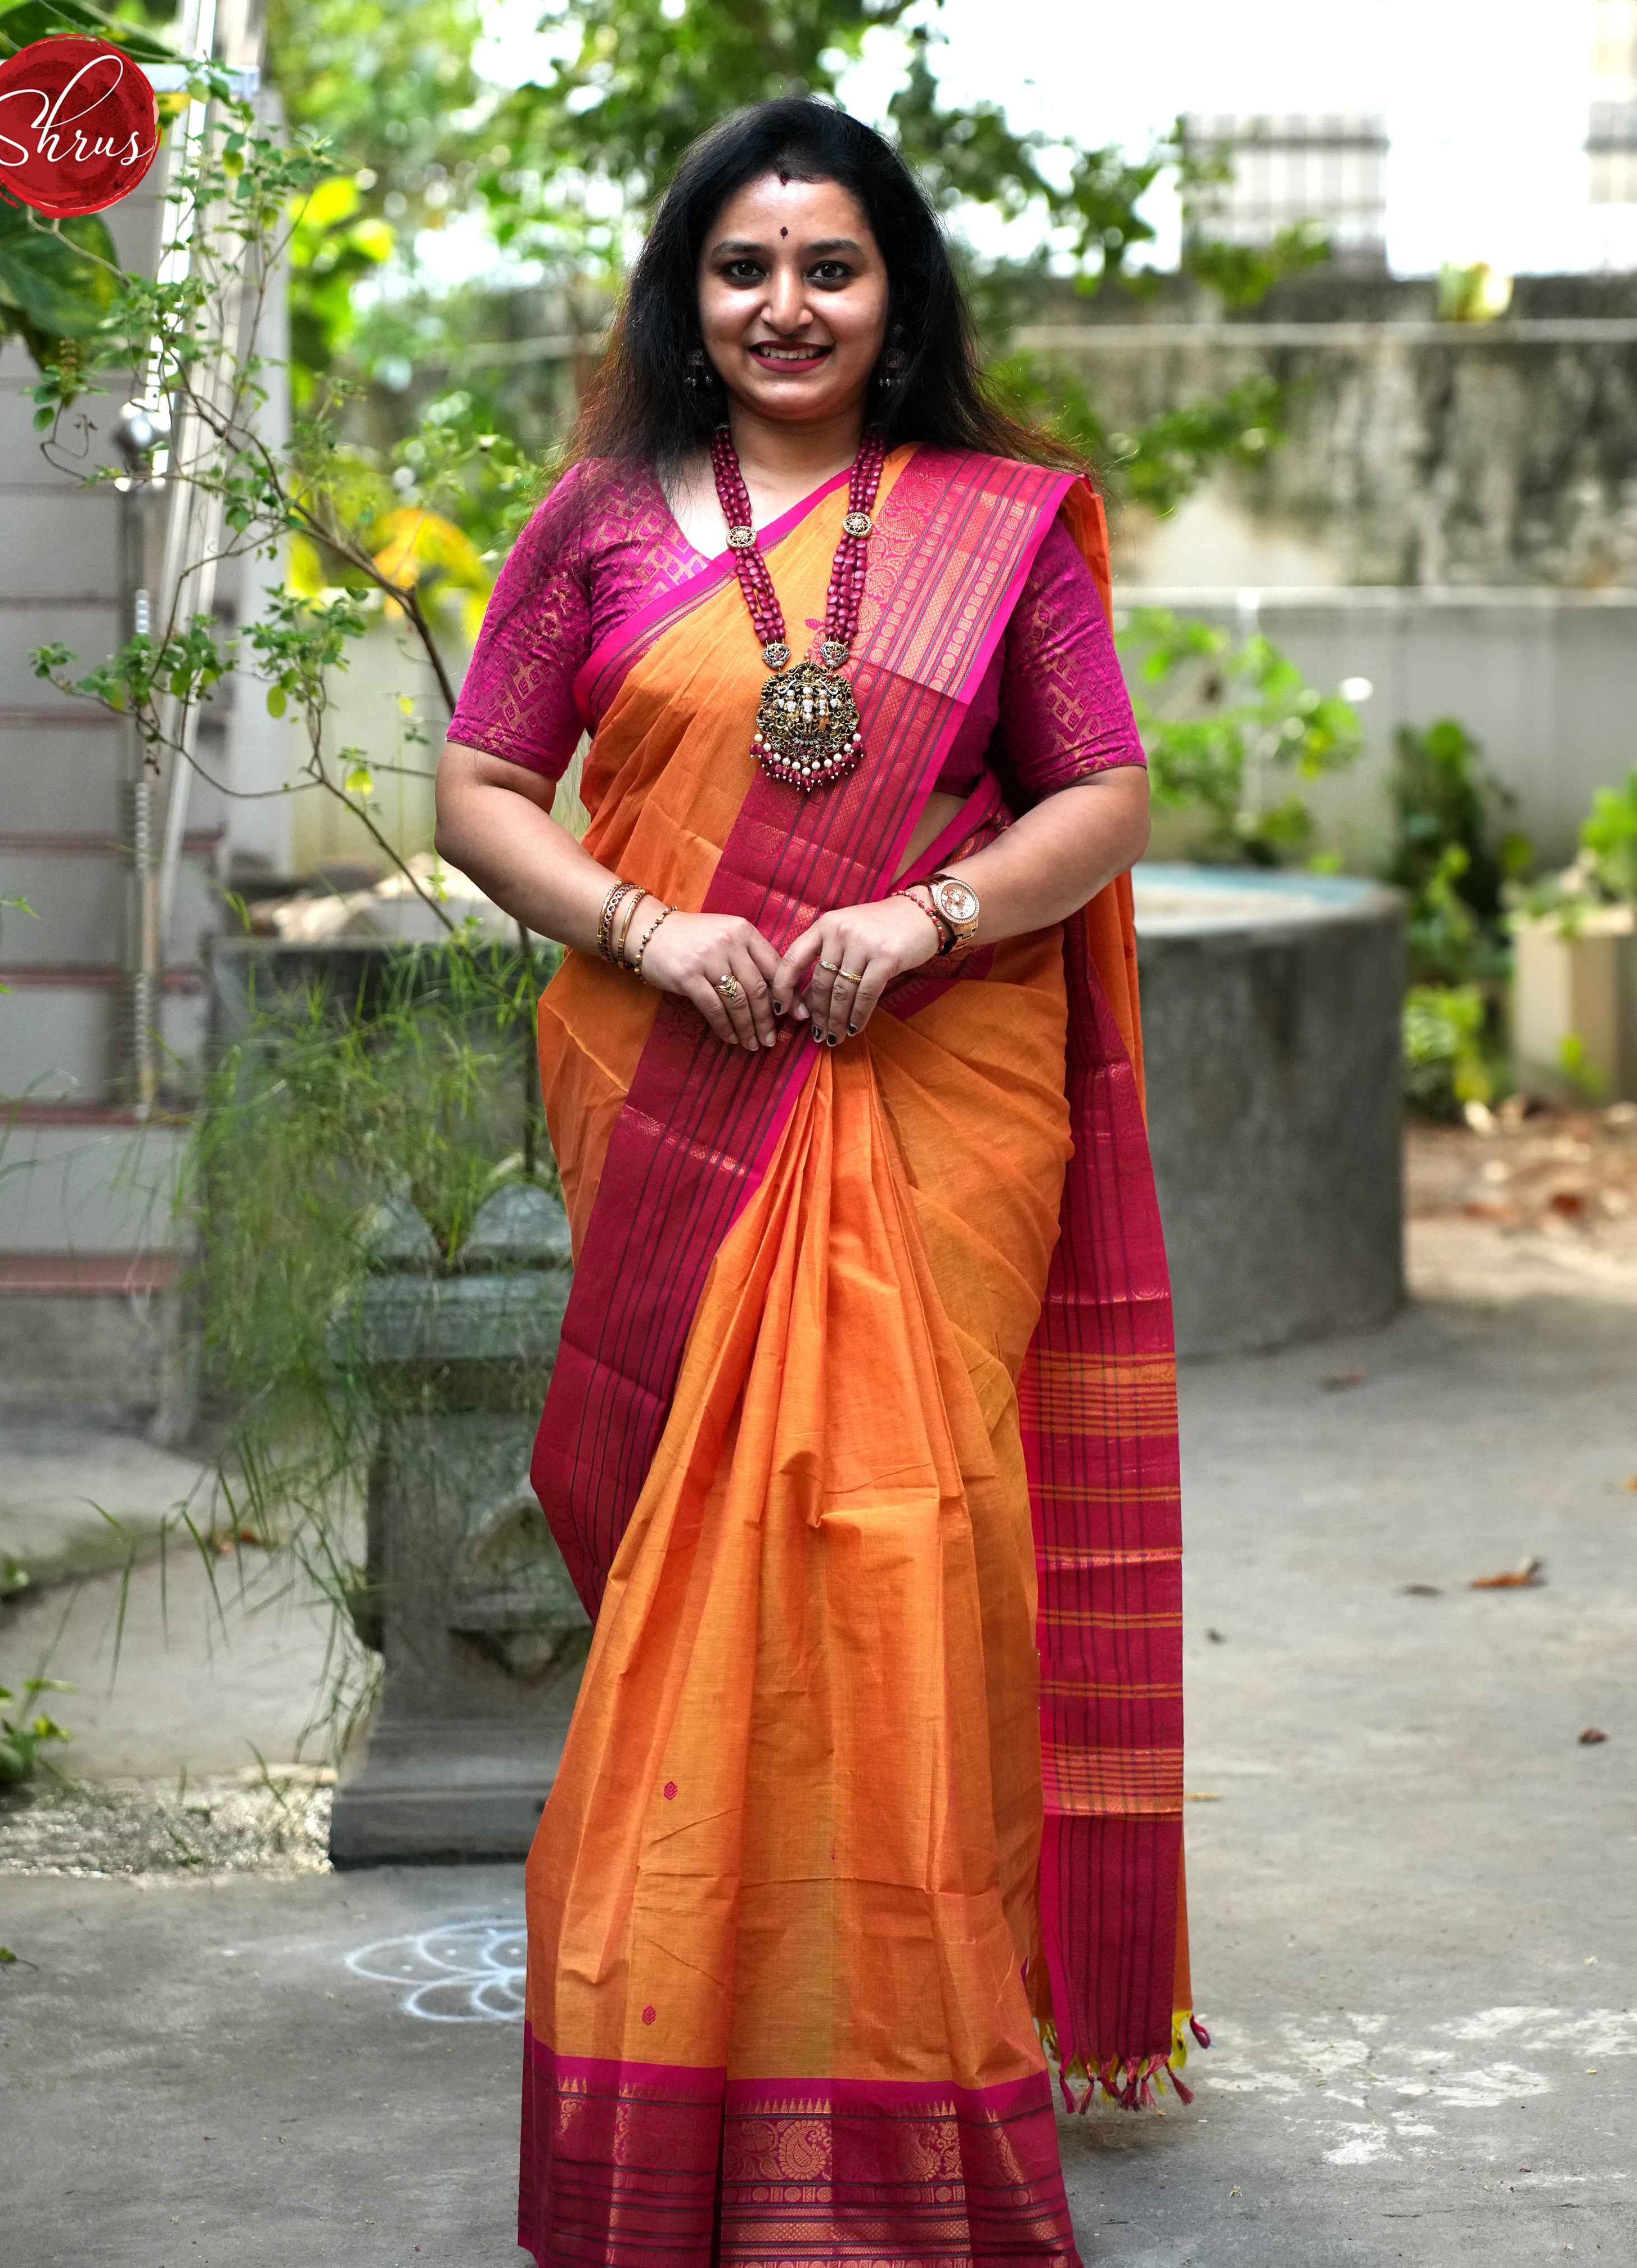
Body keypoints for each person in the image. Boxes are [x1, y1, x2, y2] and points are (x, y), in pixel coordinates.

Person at [434, 96, 1200, 2268]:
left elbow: (1106, 790)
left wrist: (931, 917)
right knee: (700, 1572)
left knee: (902, 1552)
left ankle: (904, 2070)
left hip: (930, 1079)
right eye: (745, 266)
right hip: (677, 1067)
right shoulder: (593, 524)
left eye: (832, 267)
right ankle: (679, 2039)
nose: (788, 305)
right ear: (691, 291)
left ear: (896, 297)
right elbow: (487, 778)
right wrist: (648, 929)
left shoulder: (997, 523)